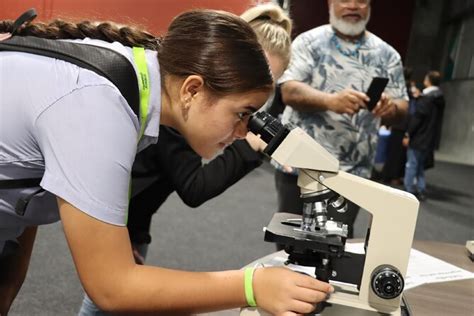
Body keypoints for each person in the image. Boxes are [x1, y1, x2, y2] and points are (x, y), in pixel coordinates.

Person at [0, 9, 333, 316]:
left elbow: (25, 180)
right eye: (242, 113)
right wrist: (252, 285)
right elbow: (111, 287)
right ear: (192, 90)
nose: (245, 130)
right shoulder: (99, 104)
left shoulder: (132, 79)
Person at [78, 4, 294, 314]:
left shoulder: (172, 104)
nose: (253, 114)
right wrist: (251, 286)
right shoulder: (160, 108)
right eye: (244, 107)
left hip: (130, 220)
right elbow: (194, 186)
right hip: (118, 223)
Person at [276, 0, 409, 238]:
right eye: (345, 0)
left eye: (361, 1)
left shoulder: (387, 54)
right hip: (301, 167)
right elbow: (289, 91)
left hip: (353, 174)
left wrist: (390, 108)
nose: (353, 6)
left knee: (336, 245)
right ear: (331, 3)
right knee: (292, 242)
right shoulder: (308, 42)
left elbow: (402, 106)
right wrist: (330, 101)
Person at [403, 71, 445, 201]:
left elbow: (418, 119)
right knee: (420, 166)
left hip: (419, 137)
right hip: (430, 138)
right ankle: (420, 189)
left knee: (412, 164)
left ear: (429, 80)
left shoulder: (426, 99)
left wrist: (408, 133)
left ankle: (409, 189)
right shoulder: (440, 99)